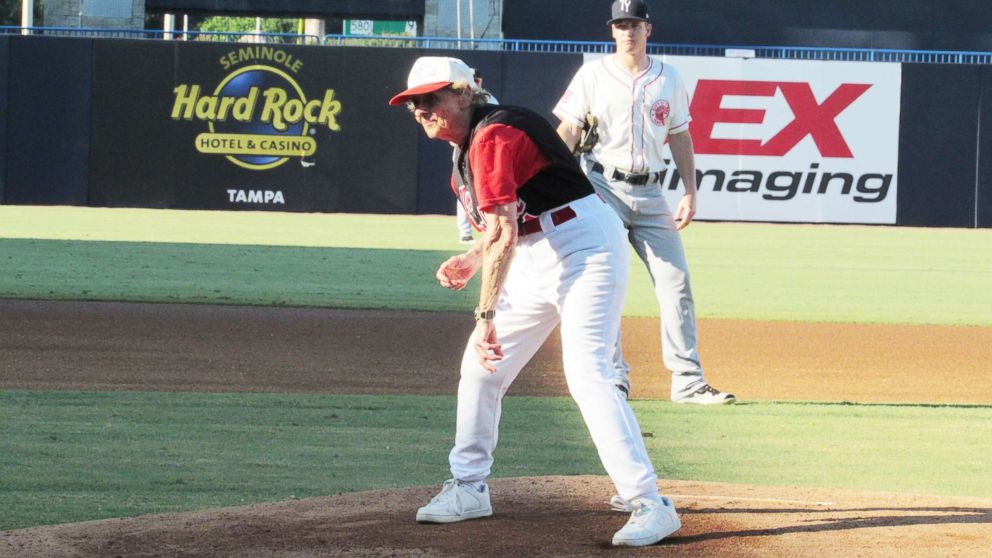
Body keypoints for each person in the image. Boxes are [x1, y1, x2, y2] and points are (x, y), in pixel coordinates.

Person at [389, 55, 681, 546]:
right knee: (481, 370)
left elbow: (504, 228)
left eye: (430, 98)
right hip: (533, 251)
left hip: (583, 247)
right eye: (413, 103)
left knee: (587, 374)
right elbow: (506, 226)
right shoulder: (468, 148)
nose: (420, 109)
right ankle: (468, 487)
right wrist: (472, 257)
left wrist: (484, 316)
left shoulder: (496, 135)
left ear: (464, 93)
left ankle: (648, 503)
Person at [554, 0, 735, 405]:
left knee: (676, 282)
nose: (627, 31)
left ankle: (687, 380)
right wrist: (551, 175)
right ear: (612, 31)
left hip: (652, 192)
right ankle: (614, 377)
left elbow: (680, 136)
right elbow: (569, 129)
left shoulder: (668, 77)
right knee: (608, 282)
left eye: (634, 23)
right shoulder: (593, 74)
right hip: (602, 186)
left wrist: (690, 190)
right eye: (620, 24)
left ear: (648, 29)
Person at [455, 69, 499, 244]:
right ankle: (465, 232)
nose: (476, 82)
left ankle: (489, 229)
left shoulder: (489, 99)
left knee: (486, 190)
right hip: (464, 149)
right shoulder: (458, 100)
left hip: (486, 150)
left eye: (478, 79)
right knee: (465, 192)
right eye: (473, 79)